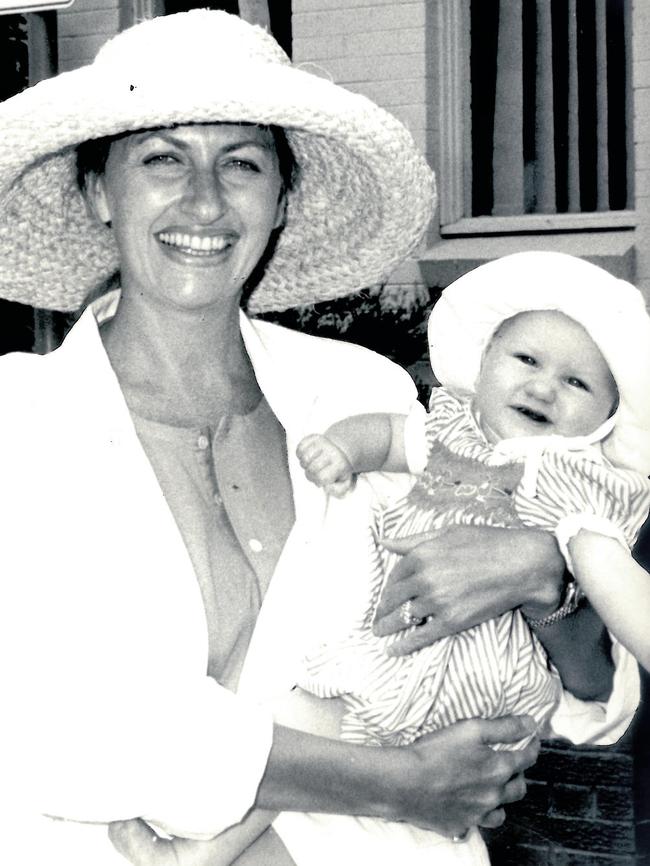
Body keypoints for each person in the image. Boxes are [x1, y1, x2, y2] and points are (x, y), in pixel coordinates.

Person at [0, 12, 638, 866]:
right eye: (161, 158)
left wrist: (546, 581)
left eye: (243, 163)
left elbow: (579, 688)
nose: (204, 200)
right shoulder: (21, 417)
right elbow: (57, 717)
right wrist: (397, 779)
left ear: (282, 198)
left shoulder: (359, 394)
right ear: (96, 191)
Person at [297, 251, 650, 754]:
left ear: (607, 419)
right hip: (393, 636)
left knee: (428, 752)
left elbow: (603, 565)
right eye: (527, 360)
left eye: (577, 382)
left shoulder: (577, 475)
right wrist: (340, 449)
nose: (543, 388)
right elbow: (391, 436)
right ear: (483, 365)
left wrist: (595, 567)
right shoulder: (450, 431)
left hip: (491, 671)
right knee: (337, 715)